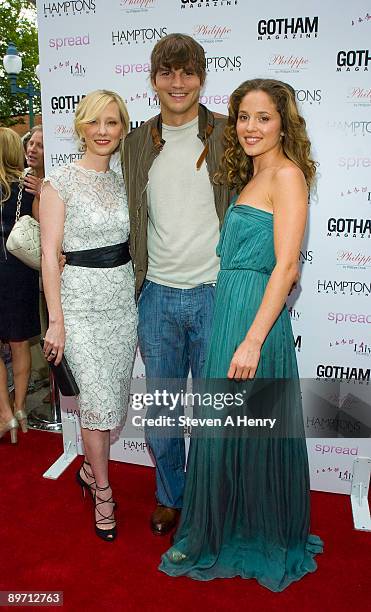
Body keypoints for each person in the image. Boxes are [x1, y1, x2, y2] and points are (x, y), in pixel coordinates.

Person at [159, 79, 323, 590]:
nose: (251, 128)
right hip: (229, 309)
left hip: (256, 320)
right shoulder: (254, 174)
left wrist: (253, 339)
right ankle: (232, 523)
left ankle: (258, 531)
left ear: (283, 123)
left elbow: (287, 268)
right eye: (244, 117)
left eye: (263, 118)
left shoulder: (287, 176)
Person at [122, 33, 229, 536]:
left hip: (215, 292)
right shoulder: (136, 142)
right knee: (162, 411)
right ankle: (170, 495)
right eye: (168, 73)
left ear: (202, 77)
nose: (178, 82)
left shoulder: (230, 135)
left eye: (187, 72)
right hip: (157, 295)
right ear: (154, 80)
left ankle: (208, 499)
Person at [40, 90, 137, 541]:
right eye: (95, 122)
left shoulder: (125, 179)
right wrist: (55, 319)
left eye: (113, 123)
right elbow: (47, 254)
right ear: (80, 126)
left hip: (122, 303)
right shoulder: (59, 181)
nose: (103, 131)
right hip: (78, 306)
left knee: (111, 402)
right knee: (96, 407)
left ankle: (87, 470)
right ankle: (103, 491)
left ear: (122, 129)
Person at [0, 128, 41, 443]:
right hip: (21, 273)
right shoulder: (28, 186)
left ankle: (5, 415)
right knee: (19, 343)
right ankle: (21, 408)